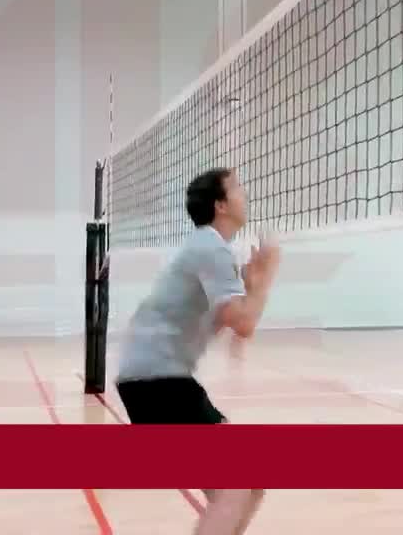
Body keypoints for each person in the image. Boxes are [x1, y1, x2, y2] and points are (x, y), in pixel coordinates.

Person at [115, 166, 280, 535]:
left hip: (157, 382)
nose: (244, 193)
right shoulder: (211, 248)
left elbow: (233, 328)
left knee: (246, 484)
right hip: (158, 383)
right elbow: (244, 323)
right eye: (237, 188)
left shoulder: (210, 248)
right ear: (221, 205)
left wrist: (251, 287)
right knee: (238, 486)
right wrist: (266, 278)